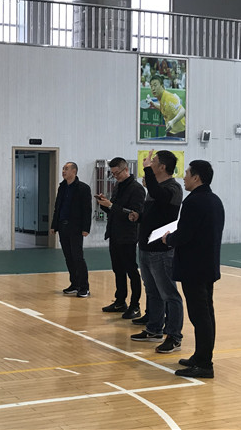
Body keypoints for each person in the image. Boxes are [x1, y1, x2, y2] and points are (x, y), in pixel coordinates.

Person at [162, 160, 224, 378]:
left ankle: (205, 364)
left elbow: (185, 234)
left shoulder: (194, 202)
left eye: (187, 173)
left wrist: (169, 239)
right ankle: (200, 356)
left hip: (194, 268)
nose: (184, 177)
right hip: (207, 266)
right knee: (206, 313)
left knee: (200, 316)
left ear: (196, 177)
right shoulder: (214, 200)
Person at [128, 150, 184, 354]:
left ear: (162, 167)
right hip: (146, 247)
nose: (150, 164)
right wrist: (139, 216)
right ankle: (154, 329)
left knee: (169, 294)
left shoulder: (173, 188)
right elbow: (155, 214)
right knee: (152, 291)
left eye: (154, 162)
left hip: (161, 250)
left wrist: (146, 171)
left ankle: (174, 336)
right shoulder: (155, 188)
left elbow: (161, 200)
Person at [95, 157, 146, 319]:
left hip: (128, 235)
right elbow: (114, 210)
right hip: (115, 233)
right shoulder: (118, 186)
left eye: (117, 173)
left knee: (131, 270)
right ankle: (120, 301)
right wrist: (105, 204)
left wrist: (111, 206)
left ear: (126, 170)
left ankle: (135, 305)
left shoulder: (137, 189)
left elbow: (134, 214)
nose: (115, 176)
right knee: (118, 269)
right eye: (113, 174)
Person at [50, 162, 92, 298]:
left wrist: (86, 228)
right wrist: (54, 225)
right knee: (68, 257)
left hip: (76, 227)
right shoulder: (62, 187)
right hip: (63, 226)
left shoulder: (83, 188)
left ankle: (84, 287)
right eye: (63, 169)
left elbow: (87, 210)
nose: (63, 171)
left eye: (66, 169)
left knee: (77, 257)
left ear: (74, 171)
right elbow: (58, 207)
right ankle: (75, 284)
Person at [149, 74, 186, 138]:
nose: (153, 89)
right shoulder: (161, 98)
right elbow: (165, 108)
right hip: (171, 131)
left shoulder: (169, 98)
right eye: (151, 86)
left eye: (155, 85)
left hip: (180, 133)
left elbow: (183, 110)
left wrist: (172, 121)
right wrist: (154, 104)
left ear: (162, 86)